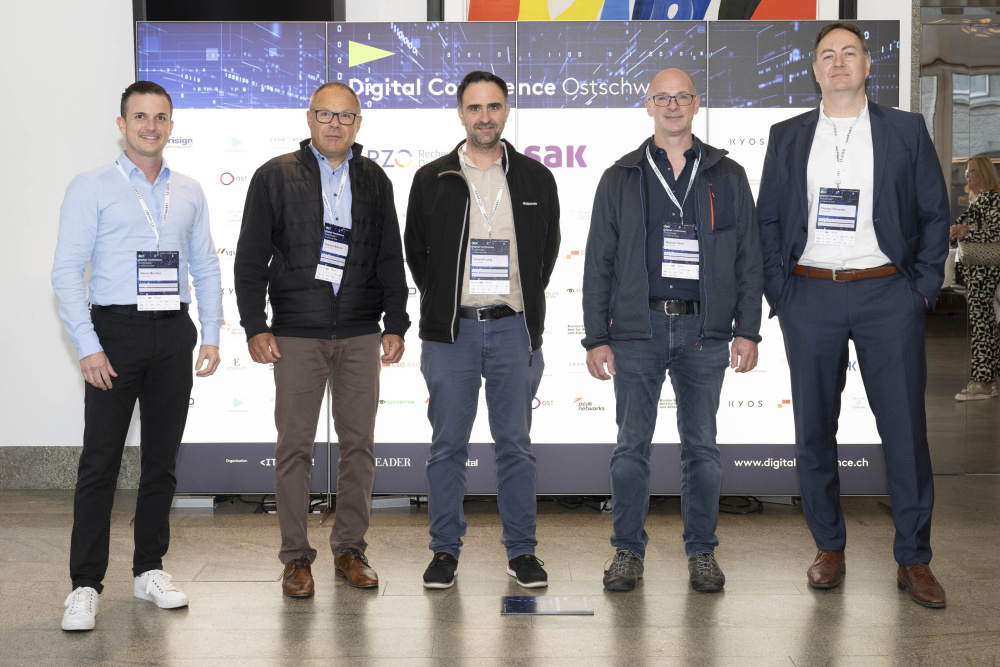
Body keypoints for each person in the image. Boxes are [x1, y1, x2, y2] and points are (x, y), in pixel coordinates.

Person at [757, 22, 950, 608]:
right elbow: (769, 219)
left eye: (849, 53)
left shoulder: (907, 130)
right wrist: (781, 292)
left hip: (887, 294)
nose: (838, 62)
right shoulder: (787, 135)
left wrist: (922, 289)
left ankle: (914, 558)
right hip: (810, 294)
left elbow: (934, 214)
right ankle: (829, 547)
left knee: (905, 432)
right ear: (815, 70)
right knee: (814, 430)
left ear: (868, 65)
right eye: (827, 55)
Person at [582, 68, 764, 593]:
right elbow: (598, 262)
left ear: (696, 103)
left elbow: (750, 257)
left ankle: (702, 553)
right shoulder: (620, 176)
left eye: (681, 96)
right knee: (630, 447)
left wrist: (747, 330)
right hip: (636, 330)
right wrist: (596, 336)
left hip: (706, 330)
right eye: (662, 97)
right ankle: (626, 552)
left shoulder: (727, 174)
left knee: (702, 448)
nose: (672, 105)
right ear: (648, 105)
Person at [52, 81, 223, 631]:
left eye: (160, 117)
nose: (151, 126)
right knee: (99, 463)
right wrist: (89, 346)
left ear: (172, 124)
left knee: (161, 462)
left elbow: (206, 265)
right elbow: (66, 272)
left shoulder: (189, 189)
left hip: (173, 332)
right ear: (122, 123)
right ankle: (84, 584)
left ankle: (149, 569)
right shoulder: (92, 186)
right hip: (115, 332)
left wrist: (211, 333)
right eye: (140, 116)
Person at [235, 82, 409, 596]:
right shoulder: (274, 175)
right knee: (294, 448)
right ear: (309, 118)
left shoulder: (374, 178)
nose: (335, 124)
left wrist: (396, 323)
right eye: (326, 115)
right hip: (296, 333)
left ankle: (350, 549)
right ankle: (295, 558)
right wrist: (255, 325)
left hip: (359, 331)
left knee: (359, 447)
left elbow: (390, 256)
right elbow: (250, 257)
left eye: (345, 116)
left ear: (359, 123)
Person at [404, 71, 560, 590]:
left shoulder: (536, 178)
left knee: (515, 444)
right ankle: (444, 551)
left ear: (506, 111)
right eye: (474, 108)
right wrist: (447, 301)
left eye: (493, 107)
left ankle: (522, 551)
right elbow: (417, 254)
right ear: (460, 113)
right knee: (447, 445)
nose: (484, 117)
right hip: (452, 333)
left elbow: (546, 253)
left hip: (514, 329)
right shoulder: (432, 178)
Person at [950, 155, 1000, 400]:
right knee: (986, 325)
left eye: (971, 171)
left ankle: (983, 383)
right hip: (978, 270)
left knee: (981, 326)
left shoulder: (992, 198)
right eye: (966, 172)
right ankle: (988, 380)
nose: (966, 176)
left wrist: (967, 231)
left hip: (984, 271)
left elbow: (996, 232)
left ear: (984, 174)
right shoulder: (978, 200)